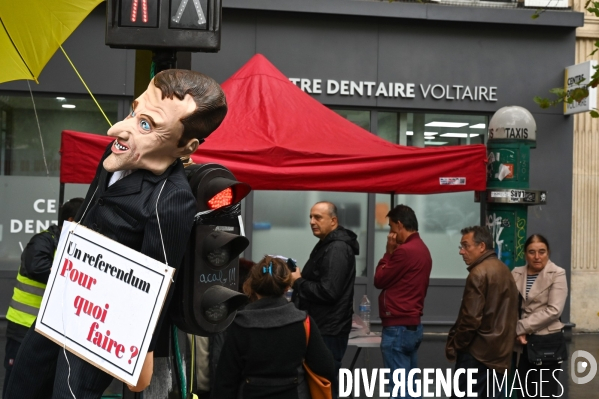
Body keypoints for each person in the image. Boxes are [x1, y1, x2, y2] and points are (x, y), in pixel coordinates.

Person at [5, 69, 228, 399]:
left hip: (101, 326)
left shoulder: (171, 196)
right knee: (22, 384)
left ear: (185, 145)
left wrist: (143, 352)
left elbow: (159, 276)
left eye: (147, 124)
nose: (120, 129)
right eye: (134, 112)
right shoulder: (116, 155)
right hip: (63, 304)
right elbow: (86, 216)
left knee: (69, 392)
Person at [213, 255, 336, 399]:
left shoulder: (240, 324)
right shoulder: (303, 322)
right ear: (287, 287)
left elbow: (225, 382)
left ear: (252, 285)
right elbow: (326, 368)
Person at [2, 197, 83, 398]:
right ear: (71, 220)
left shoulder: (74, 247)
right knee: (18, 387)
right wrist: (74, 281)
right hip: (24, 327)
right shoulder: (44, 240)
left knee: (42, 387)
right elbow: (36, 267)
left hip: (49, 332)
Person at [290, 201, 358, 399]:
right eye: (310, 217)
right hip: (324, 327)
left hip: (328, 330)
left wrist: (299, 282)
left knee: (325, 388)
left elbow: (329, 291)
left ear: (334, 221)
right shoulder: (327, 244)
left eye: (318, 217)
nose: (312, 222)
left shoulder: (336, 248)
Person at [445, 225, 519, 399]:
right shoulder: (504, 270)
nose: (461, 252)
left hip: (477, 354)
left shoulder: (478, 273)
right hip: (499, 355)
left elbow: (470, 319)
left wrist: (458, 345)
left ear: (482, 247)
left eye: (466, 246)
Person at [373, 204, 432, 399]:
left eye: (391, 228)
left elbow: (379, 280)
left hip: (397, 327)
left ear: (399, 225)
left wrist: (388, 252)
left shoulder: (404, 251)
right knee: (411, 388)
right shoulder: (423, 249)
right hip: (413, 326)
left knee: (399, 390)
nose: (391, 233)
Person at [511, 234, 567, 399]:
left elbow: (554, 310)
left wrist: (521, 327)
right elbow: (510, 305)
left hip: (546, 342)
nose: (537, 257)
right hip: (521, 345)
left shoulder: (557, 273)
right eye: (532, 252)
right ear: (525, 254)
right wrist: (517, 330)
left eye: (541, 252)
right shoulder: (516, 273)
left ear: (548, 252)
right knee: (523, 393)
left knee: (545, 394)